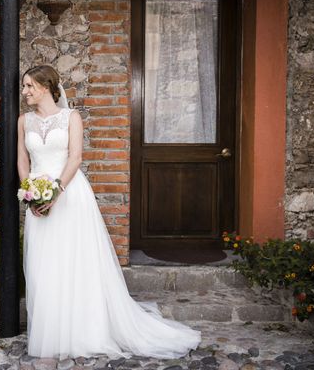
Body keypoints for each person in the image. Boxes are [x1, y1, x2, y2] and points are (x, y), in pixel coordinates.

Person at [18, 64, 201, 359]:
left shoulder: (71, 117)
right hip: (37, 200)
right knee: (43, 265)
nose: (24, 92)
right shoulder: (23, 121)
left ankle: (82, 330)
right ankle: (51, 330)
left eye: (29, 86)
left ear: (45, 87)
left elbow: (76, 158)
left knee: (74, 263)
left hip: (68, 196)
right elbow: (22, 161)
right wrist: (30, 193)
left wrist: (54, 193)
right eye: (24, 86)